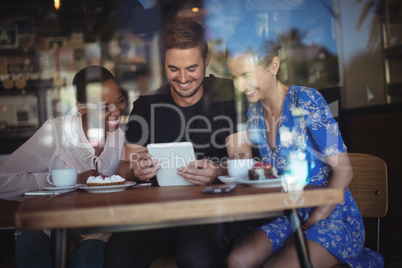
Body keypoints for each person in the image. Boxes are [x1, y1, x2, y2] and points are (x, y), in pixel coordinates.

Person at [223, 21, 384, 268]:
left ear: (274, 65)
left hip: (331, 215)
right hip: (292, 215)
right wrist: (236, 158)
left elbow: (345, 170)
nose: (239, 85)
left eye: (246, 75)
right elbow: (266, 172)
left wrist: (311, 223)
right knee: (237, 260)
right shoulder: (255, 112)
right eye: (234, 76)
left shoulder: (306, 100)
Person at [103, 20, 237, 268]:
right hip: (155, 214)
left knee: (196, 257)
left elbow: (242, 160)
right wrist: (136, 169)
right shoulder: (147, 105)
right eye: (173, 68)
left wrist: (218, 169)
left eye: (192, 68)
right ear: (163, 64)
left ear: (207, 59)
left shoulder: (226, 95)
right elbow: (123, 167)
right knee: (118, 256)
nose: (183, 78)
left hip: (207, 211)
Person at [0, 65, 126, 268]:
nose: (116, 111)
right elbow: (3, 182)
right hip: (45, 225)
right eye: (104, 107)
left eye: (119, 101)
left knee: (90, 258)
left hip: (94, 229)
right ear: (81, 107)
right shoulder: (56, 132)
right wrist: (68, 179)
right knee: (31, 250)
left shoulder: (120, 138)